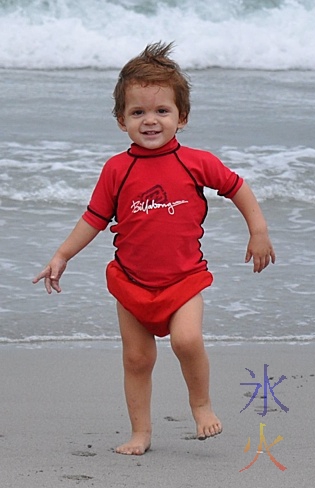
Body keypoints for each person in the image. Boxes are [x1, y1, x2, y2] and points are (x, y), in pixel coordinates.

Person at [33, 42, 276, 456]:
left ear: (182, 117)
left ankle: (200, 406)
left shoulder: (196, 162)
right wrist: (62, 255)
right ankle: (141, 433)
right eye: (138, 112)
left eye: (161, 111)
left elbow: (237, 188)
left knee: (185, 341)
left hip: (183, 281)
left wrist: (258, 230)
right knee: (137, 360)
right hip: (131, 283)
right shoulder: (117, 169)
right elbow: (94, 217)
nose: (150, 121)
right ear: (120, 120)